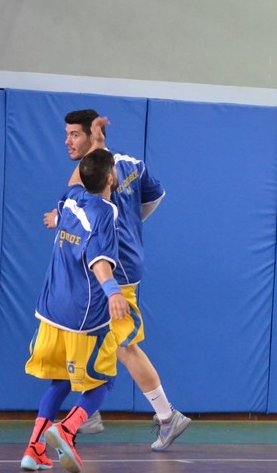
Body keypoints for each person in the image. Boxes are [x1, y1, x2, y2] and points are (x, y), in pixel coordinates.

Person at [43, 108, 190, 452]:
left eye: (74, 135)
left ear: (93, 135)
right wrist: (131, 228)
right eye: (66, 135)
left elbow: (76, 216)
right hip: (124, 266)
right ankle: (94, 410)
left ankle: (164, 416)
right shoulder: (132, 164)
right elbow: (154, 198)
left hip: (110, 272)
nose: (67, 142)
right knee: (101, 338)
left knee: (122, 344)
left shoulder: (86, 176)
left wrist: (58, 219)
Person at [21, 149, 128, 473]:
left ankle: (34, 449)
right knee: (103, 381)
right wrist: (113, 292)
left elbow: (75, 180)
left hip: (50, 309)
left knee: (61, 380)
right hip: (83, 316)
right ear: (110, 178)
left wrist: (93, 144)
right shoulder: (105, 212)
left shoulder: (71, 199)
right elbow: (98, 259)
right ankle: (66, 430)